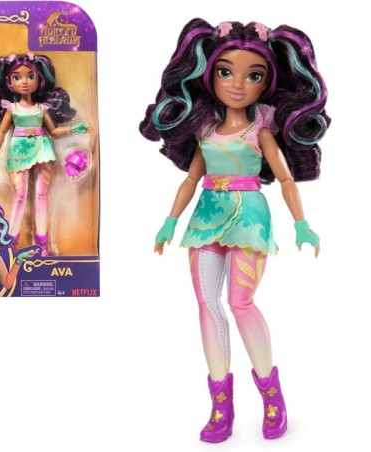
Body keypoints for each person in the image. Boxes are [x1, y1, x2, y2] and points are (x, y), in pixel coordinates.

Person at [140, 19, 329, 442]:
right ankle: (220, 404)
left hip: (249, 218)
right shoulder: (205, 128)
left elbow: (285, 179)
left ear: (268, 82)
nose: (238, 84)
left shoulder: (261, 129)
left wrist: (302, 225)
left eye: (253, 75)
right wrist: (169, 222)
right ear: (210, 75)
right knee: (207, 304)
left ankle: (271, 394)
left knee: (241, 302)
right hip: (206, 216)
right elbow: (191, 179)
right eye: (226, 72)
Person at [0, 52, 88, 255]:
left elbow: (54, 131)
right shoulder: (12, 108)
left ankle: (42, 242)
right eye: (17, 77)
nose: (25, 82)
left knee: (42, 194)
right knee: (20, 195)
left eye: (30, 76)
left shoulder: (41, 108)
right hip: (18, 152)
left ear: (39, 79)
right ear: (10, 81)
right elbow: (1, 132)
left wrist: (74, 129)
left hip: (43, 149)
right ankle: (10, 240)